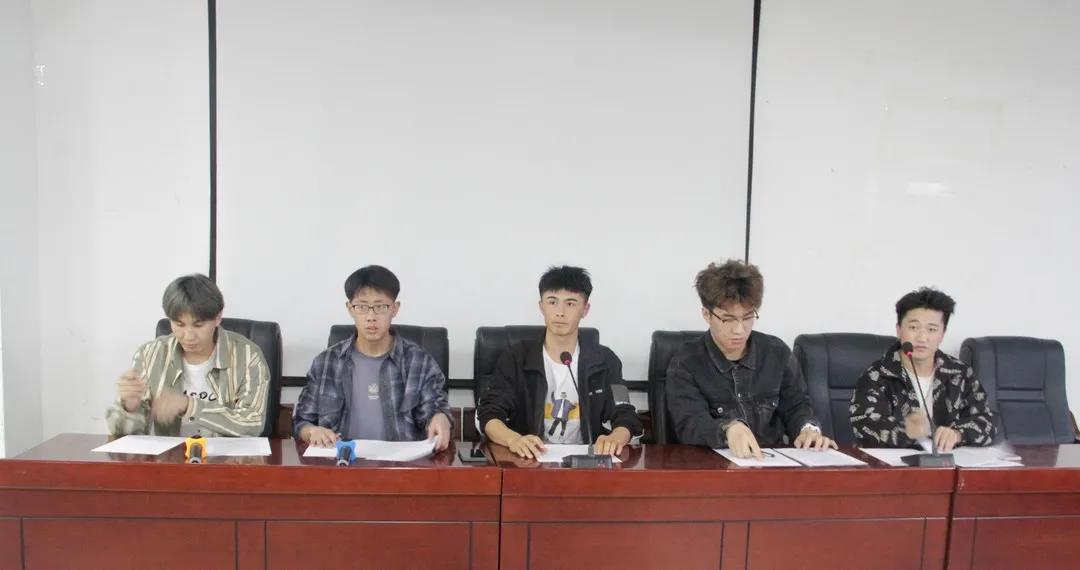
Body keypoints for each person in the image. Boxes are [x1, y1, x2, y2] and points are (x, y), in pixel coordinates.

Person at [666, 259, 835, 458]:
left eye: (747, 317)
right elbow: (690, 424)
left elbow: (797, 406)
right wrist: (728, 429)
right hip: (714, 465)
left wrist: (808, 429)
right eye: (728, 319)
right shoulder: (686, 363)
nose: (739, 330)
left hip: (771, 463)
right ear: (706, 315)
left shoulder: (777, 353)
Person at [477, 266, 643, 459]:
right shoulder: (516, 357)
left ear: (585, 309)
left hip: (587, 463)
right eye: (552, 302)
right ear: (542, 307)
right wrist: (513, 439)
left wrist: (615, 438)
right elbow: (488, 414)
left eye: (570, 303)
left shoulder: (607, 361)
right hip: (528, 461)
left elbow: (625, 413)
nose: (560, 312)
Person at [293, 265, 453, 450]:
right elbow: (301, 422)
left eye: (380, 307)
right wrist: (312, 431)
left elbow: (435, 409)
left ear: (395, 309)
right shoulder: (325, 363)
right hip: (340, 463)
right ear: (350, 309)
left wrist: (440, 418)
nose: (371, 317)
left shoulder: (419, 362)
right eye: (361, 307)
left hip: (400, 465)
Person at [106, 274, 270, 437]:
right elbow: (124, 434)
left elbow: (252, 423)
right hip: (170, 453)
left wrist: (189, 405)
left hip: (226, 453)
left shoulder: (248, 355)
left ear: (218, 318)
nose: (188, 336)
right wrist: (129, 407)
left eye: (198, 325)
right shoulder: (150, 354)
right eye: (179, 324)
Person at [849, 287, 995, 451]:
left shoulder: (960, 373)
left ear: (942, 334)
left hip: (949, 464)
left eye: (931, 329)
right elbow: (864, 424)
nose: (922, 338)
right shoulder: (876, 376)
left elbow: (988, 423)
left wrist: (957, 434)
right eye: (913, 328)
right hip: (895, 466)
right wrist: (909, 432)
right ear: (899, 330)